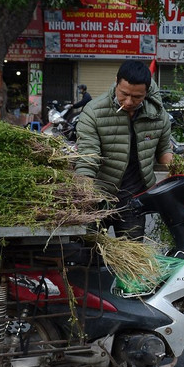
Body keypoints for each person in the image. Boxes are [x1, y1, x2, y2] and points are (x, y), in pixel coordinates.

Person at [75, 59, 174, 239]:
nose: (129, 101)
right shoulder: (94, 112)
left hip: (134, 200)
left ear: (146, 91)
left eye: (137, 97)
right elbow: (88, 157)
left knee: (132, 256)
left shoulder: (158, 115)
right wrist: (84, 196)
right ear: (116, 82)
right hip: (99, 197)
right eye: (124, 94)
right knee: (87, 255)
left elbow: (164, 151)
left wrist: (178, 170)